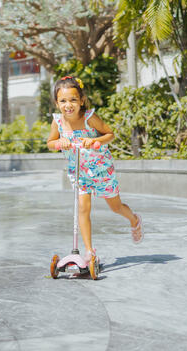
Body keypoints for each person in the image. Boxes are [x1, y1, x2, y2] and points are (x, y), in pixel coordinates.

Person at [46, 76, 143, 263]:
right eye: (63, 101)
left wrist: (95, 140)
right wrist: (60, 142)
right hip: (79, 172)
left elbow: (110, 134)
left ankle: (134, 220)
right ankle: (89, 252)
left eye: (73, 100)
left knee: (115, 207)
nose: (68, 105)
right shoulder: (57, 122)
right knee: (83, 208)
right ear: (56, 103)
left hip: (101, 169)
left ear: (81, 100)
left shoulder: (89, 118)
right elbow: (50, 143)